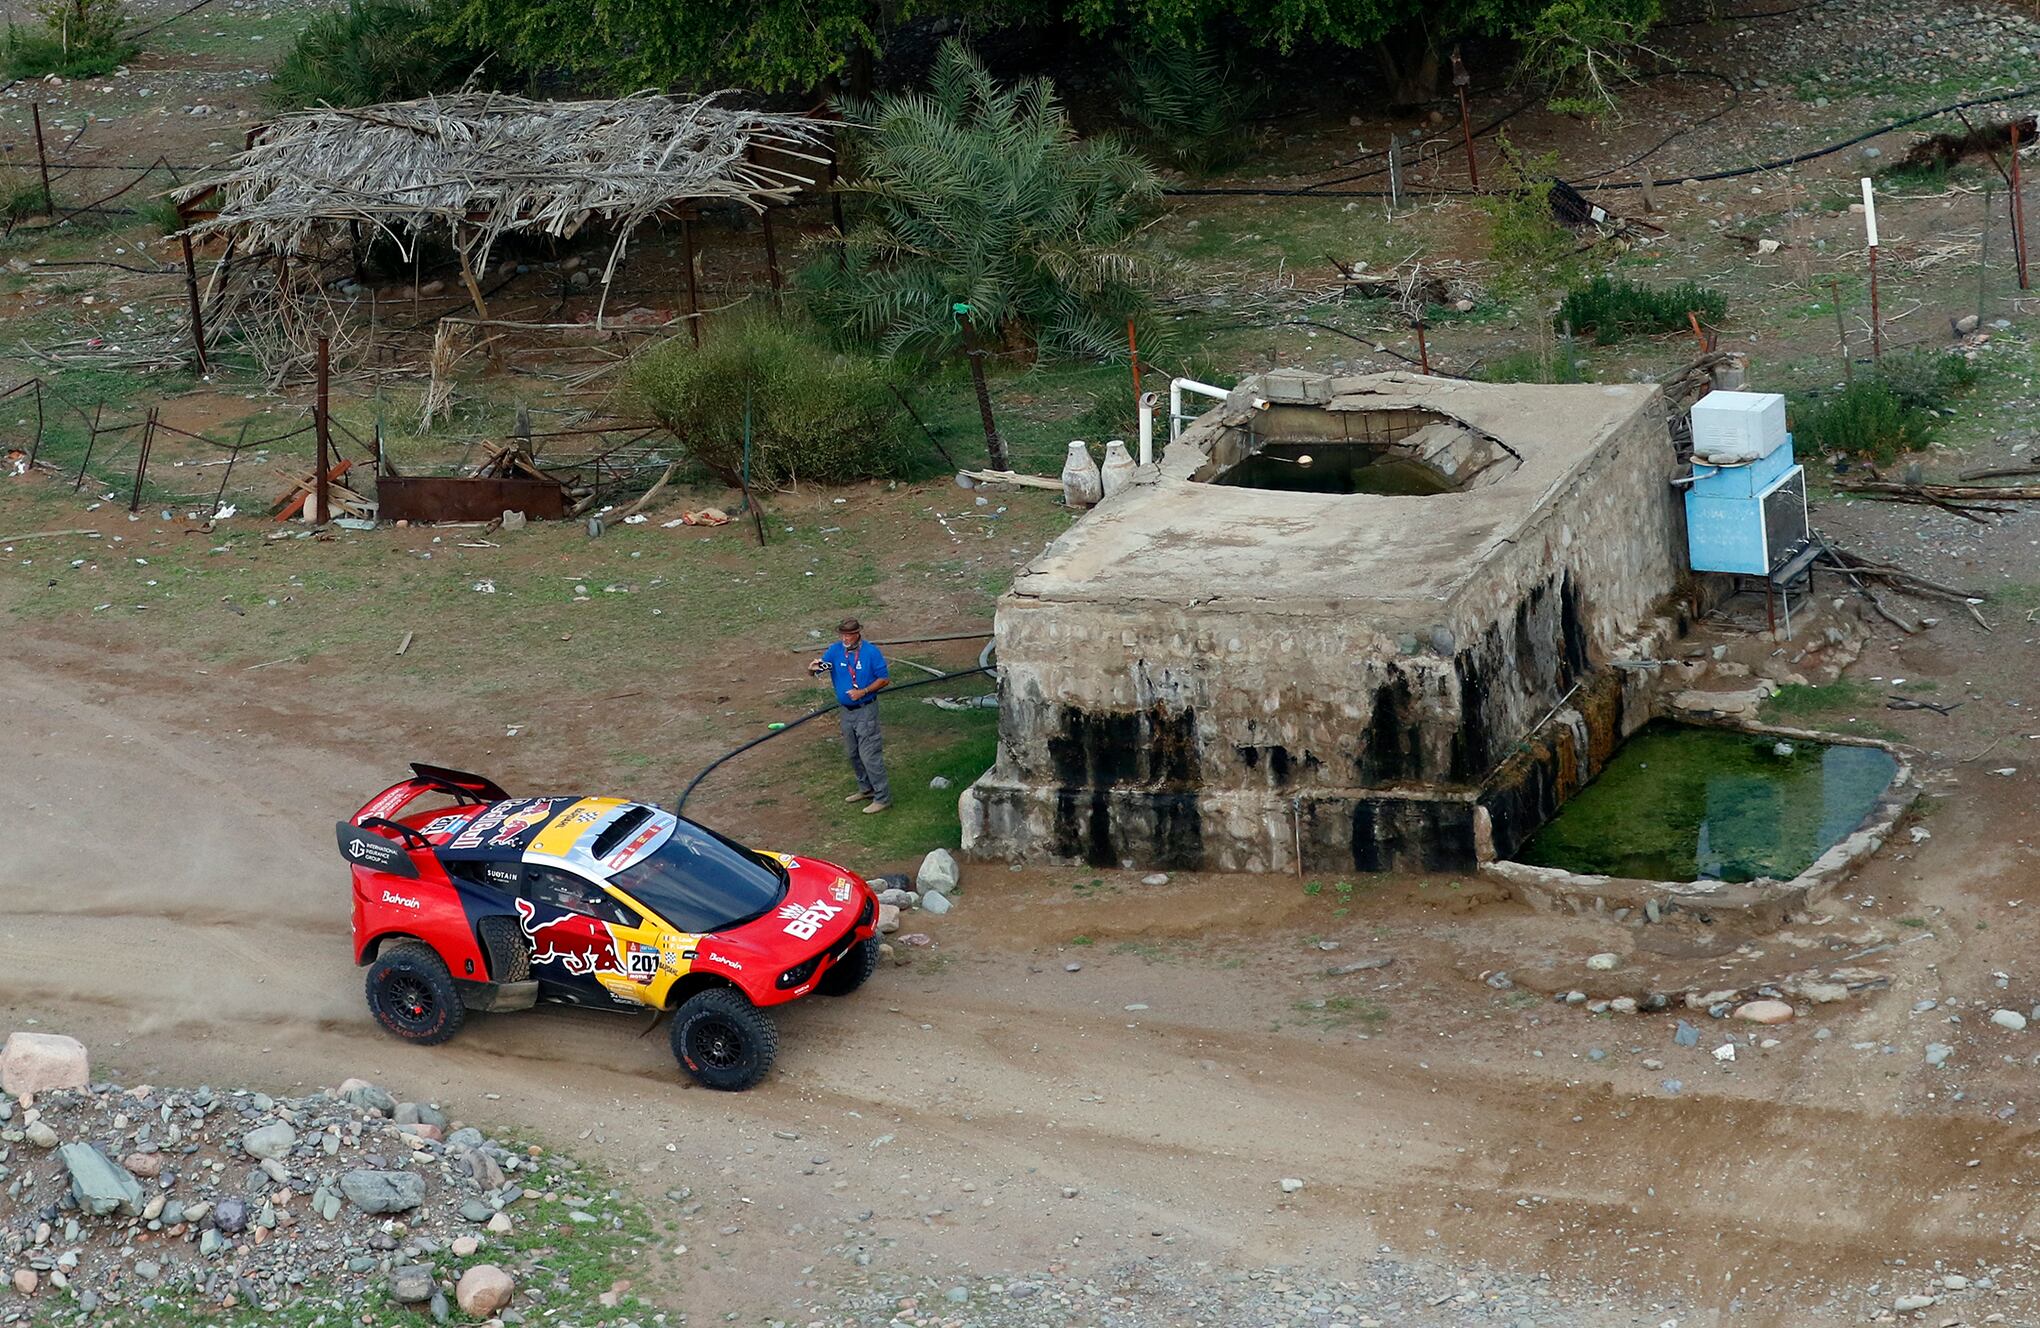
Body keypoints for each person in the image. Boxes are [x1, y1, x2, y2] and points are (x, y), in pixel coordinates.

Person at [811, 617, 892, 813]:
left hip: (865, 709)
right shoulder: (836, 650)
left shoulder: (871, 652)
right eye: (842, 635)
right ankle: (866, 789)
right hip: (846, 711)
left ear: (857, 634)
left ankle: (883, 797)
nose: (845, 638)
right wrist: (814, 668)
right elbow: (825, 667)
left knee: (869, 755)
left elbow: (884, 679)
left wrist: (863, 691)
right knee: (852, 753)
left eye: (848, 635)